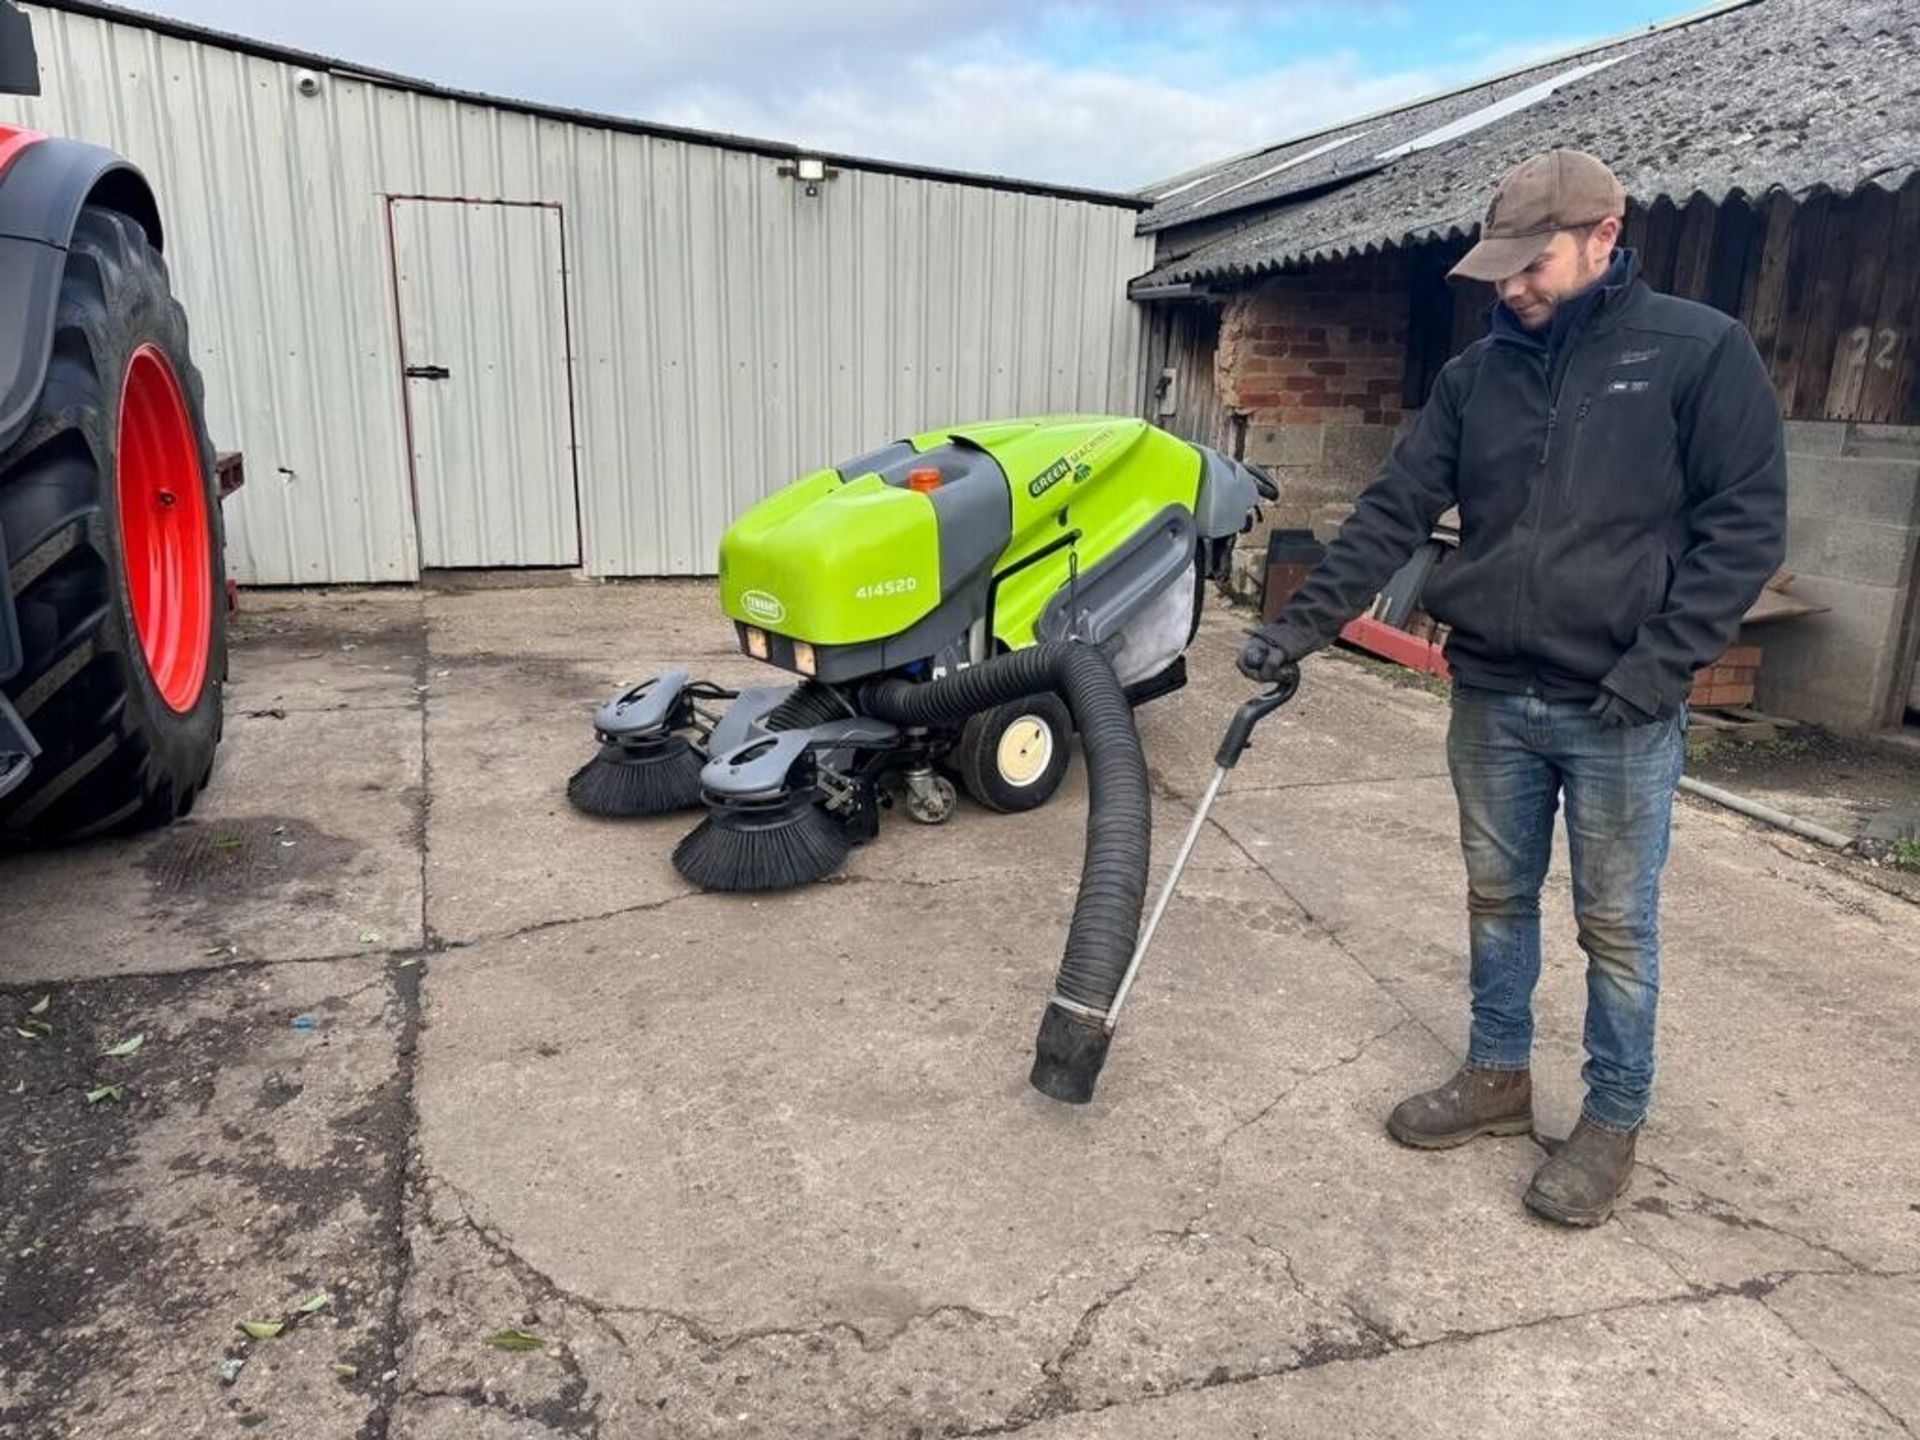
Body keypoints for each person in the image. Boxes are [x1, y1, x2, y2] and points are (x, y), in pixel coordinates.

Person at [1239, 149, 1786, 1227]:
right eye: (1499, 270)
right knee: (1496, 902)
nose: (1512, 289)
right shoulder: (1474, 379)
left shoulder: (1697, 353)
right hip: (1490, 693)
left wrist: (1658, 666)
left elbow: (1746, 527)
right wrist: (1297, 629)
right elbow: (1397, 509)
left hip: (1619, 709)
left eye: (1531, 265)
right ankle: (1498, 1078)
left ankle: (1612, 1122)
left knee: (1616, 926)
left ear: (1604, 236)